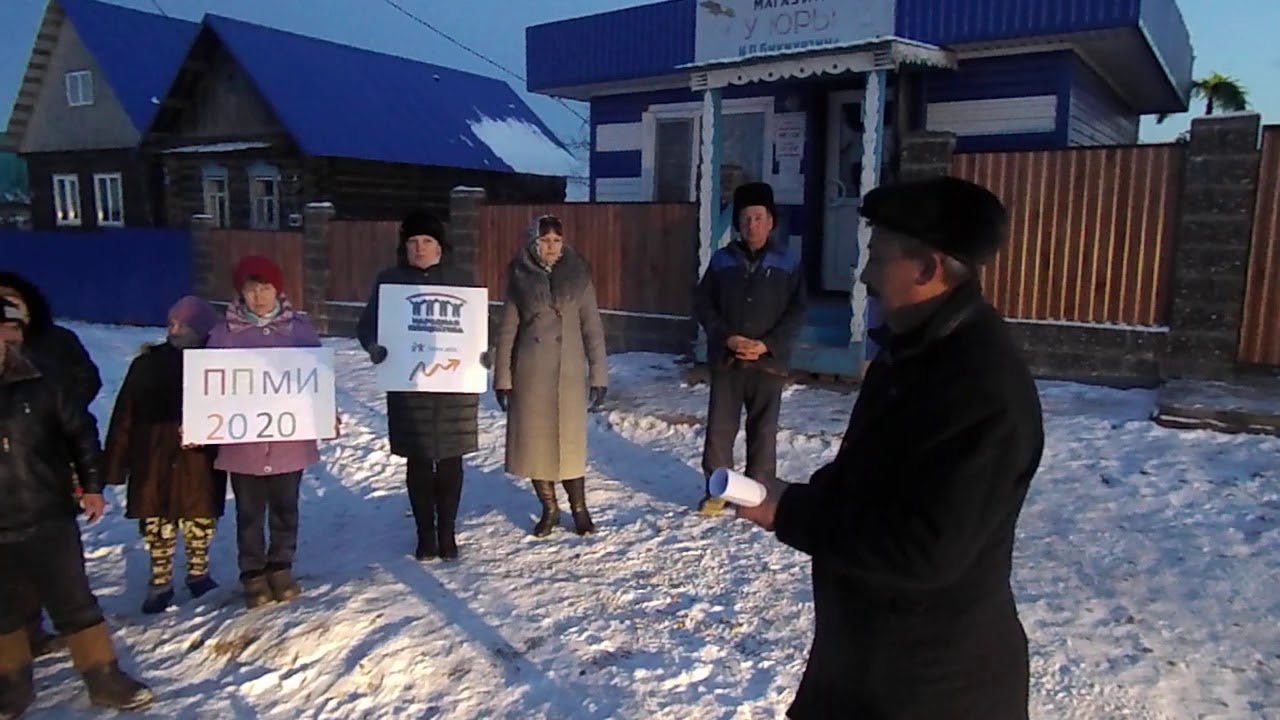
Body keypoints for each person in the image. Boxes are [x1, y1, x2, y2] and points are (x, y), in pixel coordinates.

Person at [734, 176, 1046, 719]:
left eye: (878, 257)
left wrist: (790, 512)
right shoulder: (915, 352)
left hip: (933, 688)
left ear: (927, 268)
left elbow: (925, 549)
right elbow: (872, 475)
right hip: (864, 662)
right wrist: (797, 496)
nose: (865, 275)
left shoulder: (981, 388)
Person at [0, 298, 153, 715]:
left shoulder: (40, 380)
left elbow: (80, 432)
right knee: (3, 607)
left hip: (46, 511)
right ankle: (11, 685)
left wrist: (91, 486)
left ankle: (103, 676)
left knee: (73, 599)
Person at [358, 211, 480, 561]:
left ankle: (447, 532)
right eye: (413, 241)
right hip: (409, 386)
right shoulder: (390, 282)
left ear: (440, 246)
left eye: (427, 241)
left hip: (454, 387)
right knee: (419, 462)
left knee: (451, 461)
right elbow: (366, 326)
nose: (419, 248)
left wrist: (483, 352)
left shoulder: (462, 282)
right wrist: (374, 347)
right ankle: (425, 534)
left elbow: (481, 326)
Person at [207, 256, 323, 609]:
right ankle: (253, 573)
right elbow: (209, 385)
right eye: (251, 289)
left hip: (289, 439)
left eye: (266, 288)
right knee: (249, 512)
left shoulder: (299, 331)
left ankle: (281, 566)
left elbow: (318, 379)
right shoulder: (224, 334)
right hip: (244, 442)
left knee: (286, 507)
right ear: (240, 292)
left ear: (278, 290)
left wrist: (324, 413)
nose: (259, 296)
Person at [0, 272, 103, 657]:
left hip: (48, 462)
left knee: (57, 557)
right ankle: (25, 638)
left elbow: (86, 384)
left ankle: (92, 657)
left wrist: (54, 406)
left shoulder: (56, 343)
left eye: (13, 300)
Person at [103, 295, 226, 615]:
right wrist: (115, 464)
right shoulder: (147, 363)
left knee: (199, 517)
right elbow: (124, 414)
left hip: (199, 459)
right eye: (171, 323)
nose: (174, 330)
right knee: (157, 521)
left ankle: (198, 573)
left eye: (183, 325)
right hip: (153, 454)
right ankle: (160, 580)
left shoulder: (218, 365)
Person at [693, 181, 806, 516]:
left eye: (758, 218)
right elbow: (704, 304)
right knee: (720, 429)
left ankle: (758, 492)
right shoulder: (721, 261)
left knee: (763, 431)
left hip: (768, 361)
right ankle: (718, 490)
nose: (751, 225)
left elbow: (797, 310)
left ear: (770, 222)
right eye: (745, 219)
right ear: (737, 224)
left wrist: (767, 344)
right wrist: (727, 338)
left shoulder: (787, 261)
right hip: (728, 360)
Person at [494, 214, 608, 537]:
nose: (552, 247)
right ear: (534, 242)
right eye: (545, 241)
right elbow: (507, 331)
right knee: (536, 446)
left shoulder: (578, 275)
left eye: (557, 241)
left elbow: (593, 328)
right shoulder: (520, 276)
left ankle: (579, 509)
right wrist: (503, 379)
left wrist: (599, 374)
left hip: (568, 375)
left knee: (570, 445)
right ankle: (549, 508)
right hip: (531, 376)